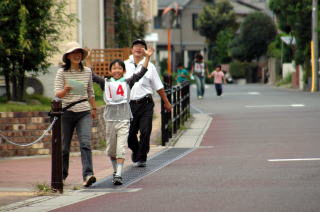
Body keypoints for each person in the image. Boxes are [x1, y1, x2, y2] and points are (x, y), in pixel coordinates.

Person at [92, 47, 154, 185]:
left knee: (121, 148)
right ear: (110, 71)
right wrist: (86, 60)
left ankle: (119, 174)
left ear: (124, 71)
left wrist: (147, 57)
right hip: (110, 120)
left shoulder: (127, 82)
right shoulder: (105, 83)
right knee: (111, 150)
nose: (117, 70)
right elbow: (92, 76)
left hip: (124, 120)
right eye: (114, 68)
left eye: (120, 68)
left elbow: (141, 73)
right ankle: (115, 171)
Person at [54, 41, 97, 187]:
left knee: (85, 143)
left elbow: (90, 92)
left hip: (83, 112)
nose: (77, 55)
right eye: (74, 53)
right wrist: (66, 89)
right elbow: (57, 94)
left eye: (79, 52)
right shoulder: (62, 72)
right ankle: (62, 175)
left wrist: (94, 109)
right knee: (64, 147)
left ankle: (88, 175)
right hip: (66, 112)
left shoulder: (87, 71)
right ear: (68, 56)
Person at [124, 39, 172, 167]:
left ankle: (142, 157)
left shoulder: (150, 67)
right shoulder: (124, 65)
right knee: (129, 135)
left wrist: (166, 102)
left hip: (146, 103)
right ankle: (137, 149)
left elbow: (159, 87)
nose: (138, 48)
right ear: (131, 49)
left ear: (145, 51)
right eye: (136, 46)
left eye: (141, 47)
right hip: (129, 105)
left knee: (145, 131)